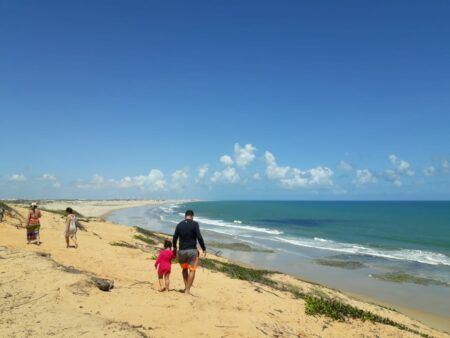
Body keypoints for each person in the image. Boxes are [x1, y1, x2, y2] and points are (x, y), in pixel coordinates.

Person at [173, 210, 206, 295]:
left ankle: (186, 287)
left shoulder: (179, 225)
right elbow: (199, 237)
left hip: (182, 251)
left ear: (185, 216)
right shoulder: (195, 224)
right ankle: (187, 290)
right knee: (192, 270)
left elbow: (174, 238)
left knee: (184, 269)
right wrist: (203, 248)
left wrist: (174, 248)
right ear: (192, 216)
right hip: (192, 251)